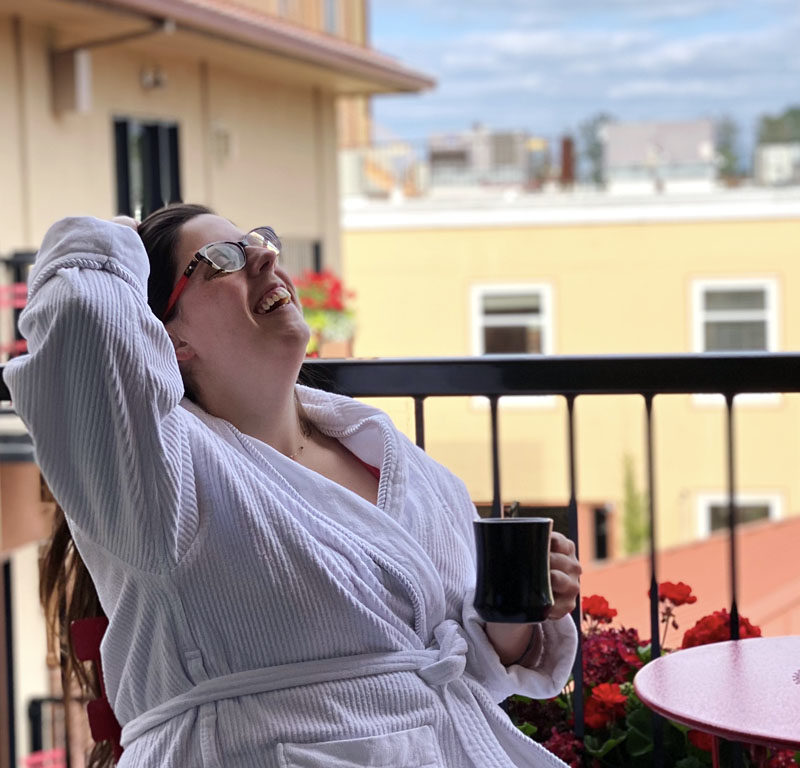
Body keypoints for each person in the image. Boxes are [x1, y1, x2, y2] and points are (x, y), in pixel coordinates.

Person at [6, 205, 581, 768]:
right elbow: (80, 325)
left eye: (258, 239)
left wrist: (515, 618)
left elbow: (458, 666)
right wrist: (112, 241)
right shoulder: (162, 473)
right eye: (222, 260)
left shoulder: (398, 462)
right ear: (170, 341)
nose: (264, 254)